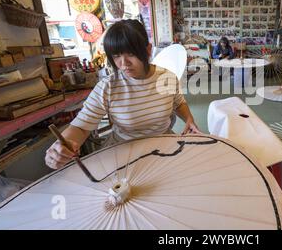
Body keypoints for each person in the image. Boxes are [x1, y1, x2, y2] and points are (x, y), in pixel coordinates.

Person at [45, 19, 201, 170]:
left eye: (131, 54)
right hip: (123, 150)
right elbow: (81, 127)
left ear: (148, 50)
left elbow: (179, 102)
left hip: (164, 143)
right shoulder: (108, 87)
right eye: (116, 56)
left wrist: (189, 119)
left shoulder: (166, 77)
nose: (124, 63)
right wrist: (63, 145)